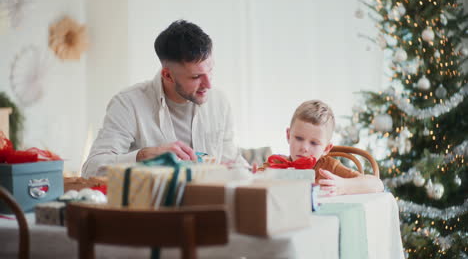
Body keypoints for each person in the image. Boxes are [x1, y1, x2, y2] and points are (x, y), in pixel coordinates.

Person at [82, 20, 244, 177]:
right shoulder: (128, 104)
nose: (208, 85)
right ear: (167, 75)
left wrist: (247, 170)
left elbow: (231, 161)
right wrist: (144, 156)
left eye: (210, 71)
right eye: (196, 77)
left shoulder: (219, 102)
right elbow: (91, 169)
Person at [257, 100, 384, 196]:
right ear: (288, 136)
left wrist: (343, 185)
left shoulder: (329, 168)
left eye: (314, 143)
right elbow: (252, 182)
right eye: (299, 138)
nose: (304, 148)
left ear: (326, 149)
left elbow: (377, 184)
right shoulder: (277, 164)